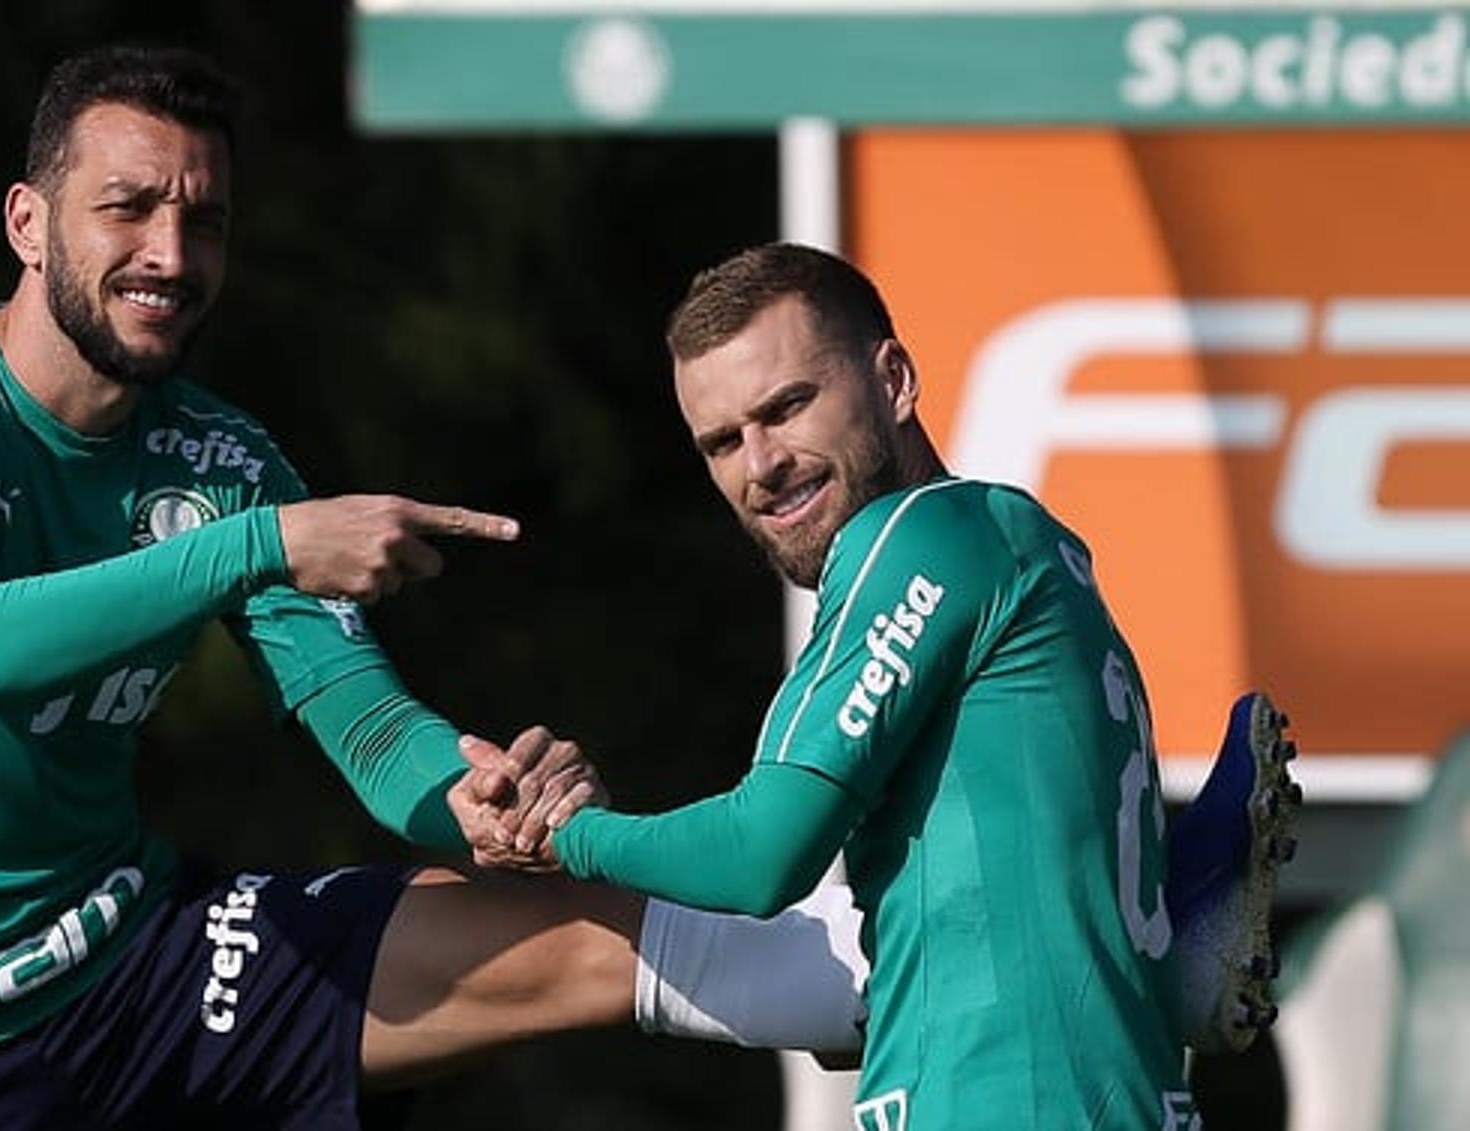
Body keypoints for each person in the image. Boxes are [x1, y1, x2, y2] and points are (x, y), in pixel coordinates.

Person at [0, 44, 1288, 1130]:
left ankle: (1121, 963)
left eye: (202, 215)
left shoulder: (221, 454)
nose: (169, 247)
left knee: (584, 931)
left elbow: (359, 717)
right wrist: (264, 545)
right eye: (127, 207)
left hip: (140, 956)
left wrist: (474, 805)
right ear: (29, 220)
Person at [452, 242, 1302, 1129]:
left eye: (787, 407)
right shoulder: (1030, 549)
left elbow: (757, 855)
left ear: (893, 377)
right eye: (722, 441)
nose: (761, 463)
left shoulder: (920, 540)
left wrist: (569, 835)